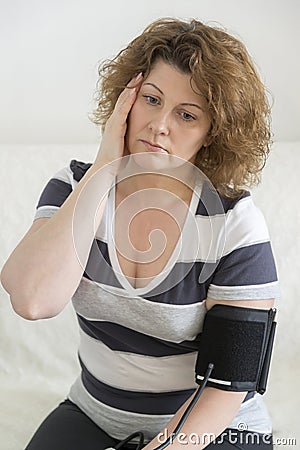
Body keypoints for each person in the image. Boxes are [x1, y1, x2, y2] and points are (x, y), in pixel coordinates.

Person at [0, 17, 280, 450]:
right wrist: (104, 166)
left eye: (186, 114)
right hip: (96, 413)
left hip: (212, 428)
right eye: (151, 99)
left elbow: (227, 385)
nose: (159, 124)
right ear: (125, 100)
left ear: (213, 134)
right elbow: (33, 299)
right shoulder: (74, 188)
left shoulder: (233, 224)